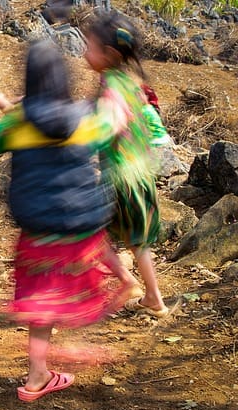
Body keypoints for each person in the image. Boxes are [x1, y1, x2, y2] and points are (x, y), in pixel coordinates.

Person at [0, 39, 134, 401]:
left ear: (29, 81)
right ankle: (81, 340)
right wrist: (116, 98)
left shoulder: (17, 125)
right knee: (83, 285)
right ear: (63, 79)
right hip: (81, 229)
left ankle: (37, 375)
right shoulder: (85, 118)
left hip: (37, 233)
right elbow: (112, 123)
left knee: (42, 303)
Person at [84, 12, 169, 318]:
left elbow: (107, 122)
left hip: (119, 175)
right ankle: (154, 299)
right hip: (140, 172)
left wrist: (85, 143)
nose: (84, 52)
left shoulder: (111, 87)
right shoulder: (134, 82)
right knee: (138, 243)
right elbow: (151, 124)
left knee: (89, 233)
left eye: (89, 47)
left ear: (109, 55)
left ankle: (125, 281)